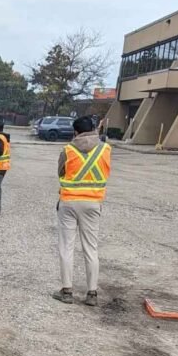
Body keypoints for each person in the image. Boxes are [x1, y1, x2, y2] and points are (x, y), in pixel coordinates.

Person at [53, 115, 112, 307]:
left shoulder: (68, 150)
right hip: (93, 203)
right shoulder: (105, 149)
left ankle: (67, 291)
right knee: (90, 248)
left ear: (75, 132)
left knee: (66, 247)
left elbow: (61, 172)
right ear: (93, 129)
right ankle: (92, 293)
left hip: (69, 201)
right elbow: (106, 171)